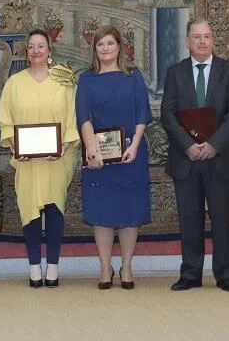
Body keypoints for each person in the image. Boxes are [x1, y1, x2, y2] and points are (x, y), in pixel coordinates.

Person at [160, 19, 229, 292]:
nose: (202, 41)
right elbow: (168, 115)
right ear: (187, 40)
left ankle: (225, 274)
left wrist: (213, 145)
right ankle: (191, 274)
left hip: (220, 157)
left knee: (222, 219)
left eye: (207, 36)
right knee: (190, 217)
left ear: (213, 39)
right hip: (186, 158)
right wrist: (188, 145)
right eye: (197, 36)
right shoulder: (175, 72)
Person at [0, 29, 79, 288]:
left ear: (50, 50)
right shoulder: (14, 83)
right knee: (30, 212)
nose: (35, 51)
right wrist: (16, 146)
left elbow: (73, 118)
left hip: (58, 160)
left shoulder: (64, 82)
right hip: (27, 162)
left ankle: (52, 267)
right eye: (31, 46)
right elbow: (5, 120)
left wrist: (63, 147)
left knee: (54, 210)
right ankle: (34, 266)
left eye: (41, 46)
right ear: (26, 51)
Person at [75, 25, 152, 290]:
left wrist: (136, 145)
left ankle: (127, 267)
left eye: (110, 43)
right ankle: (106, 267)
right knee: (102, 211)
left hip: (132, 154)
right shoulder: (86, 80)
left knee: (130, 212)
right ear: (94, 50)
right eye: (100, 44)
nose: (105, 48)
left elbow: (142, 114)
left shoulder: (134, 77)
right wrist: (91, 149)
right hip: (99, 157)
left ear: (119, 46)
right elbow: (83, 117)